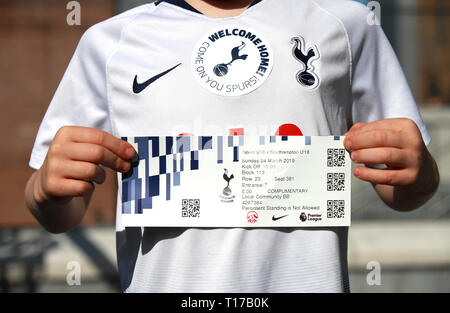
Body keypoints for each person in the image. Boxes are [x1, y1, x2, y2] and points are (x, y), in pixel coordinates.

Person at [24, 0, 439, 292]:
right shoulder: (110, 41)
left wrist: (417, 174)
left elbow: (403, 188)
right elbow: (58, 210)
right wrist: (46, 189)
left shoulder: (345, 23)